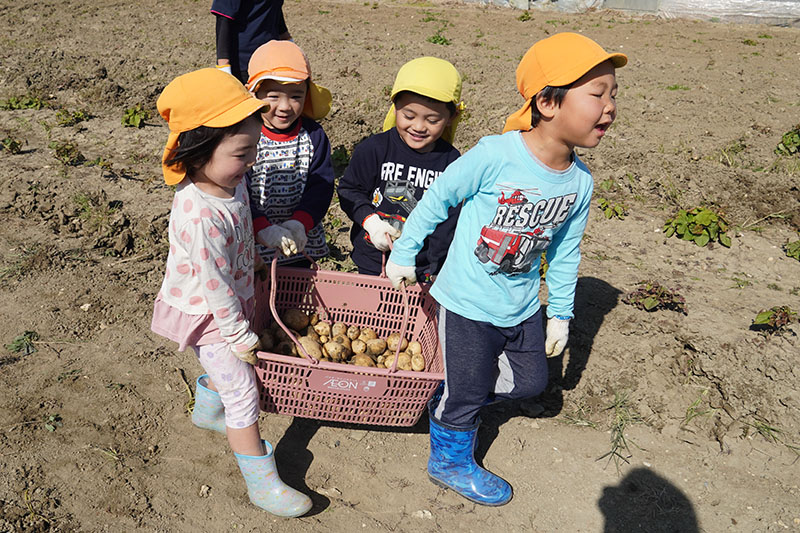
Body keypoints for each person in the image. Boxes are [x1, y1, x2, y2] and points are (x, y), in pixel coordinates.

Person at [385, 33, 627, 506]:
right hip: (467, 302)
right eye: (597, 94)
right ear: (548, 101)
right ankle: (449, 459)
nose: (610, 107)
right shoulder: (496, 155)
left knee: (532, 382)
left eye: (613, 94)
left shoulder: (578, 183)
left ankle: (452, 394)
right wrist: (403, 252)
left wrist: (560, 313)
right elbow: (438, 199)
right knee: (469, 392)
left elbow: (563, 252)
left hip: (519, 306)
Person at [150, 68, 312, 517]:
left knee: (226, 375)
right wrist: (239, 334)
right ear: (199, 151)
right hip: (211, 313)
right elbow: (213, 285)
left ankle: (206, 411)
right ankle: (262, 484)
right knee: (244, 392)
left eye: (254, 149)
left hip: (234, 292)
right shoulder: (199, 215)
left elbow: (238, 233)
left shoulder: (230, 181)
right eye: (243, 153)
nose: (253, 162)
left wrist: (257, 256)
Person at [337, 57, 464, 281]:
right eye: (408, 116)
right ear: (395, 106)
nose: (418, 127)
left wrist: (434, 264)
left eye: (432, 120)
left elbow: (450, 220)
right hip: (373, 259)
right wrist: (371, 223)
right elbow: (350, 191)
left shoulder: (451, 162)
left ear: (450, 118)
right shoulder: (375, 149)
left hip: (421, 266)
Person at [245, 40, 335, 267]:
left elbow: (321, 185)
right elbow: (238, 187)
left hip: (301, 239)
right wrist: (260, 226)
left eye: (295, 96)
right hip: (256, 240)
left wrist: (301, 222)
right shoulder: (245, 135)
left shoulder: (313, 135)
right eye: (273, 96)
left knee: (296, 294)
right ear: (255, 94)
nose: (285, 106)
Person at [211, 0, 292, 83]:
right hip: (244, 62)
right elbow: (224, 18)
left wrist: (289, 42)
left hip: (272, 58)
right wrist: (224, 67)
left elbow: (274, 9)